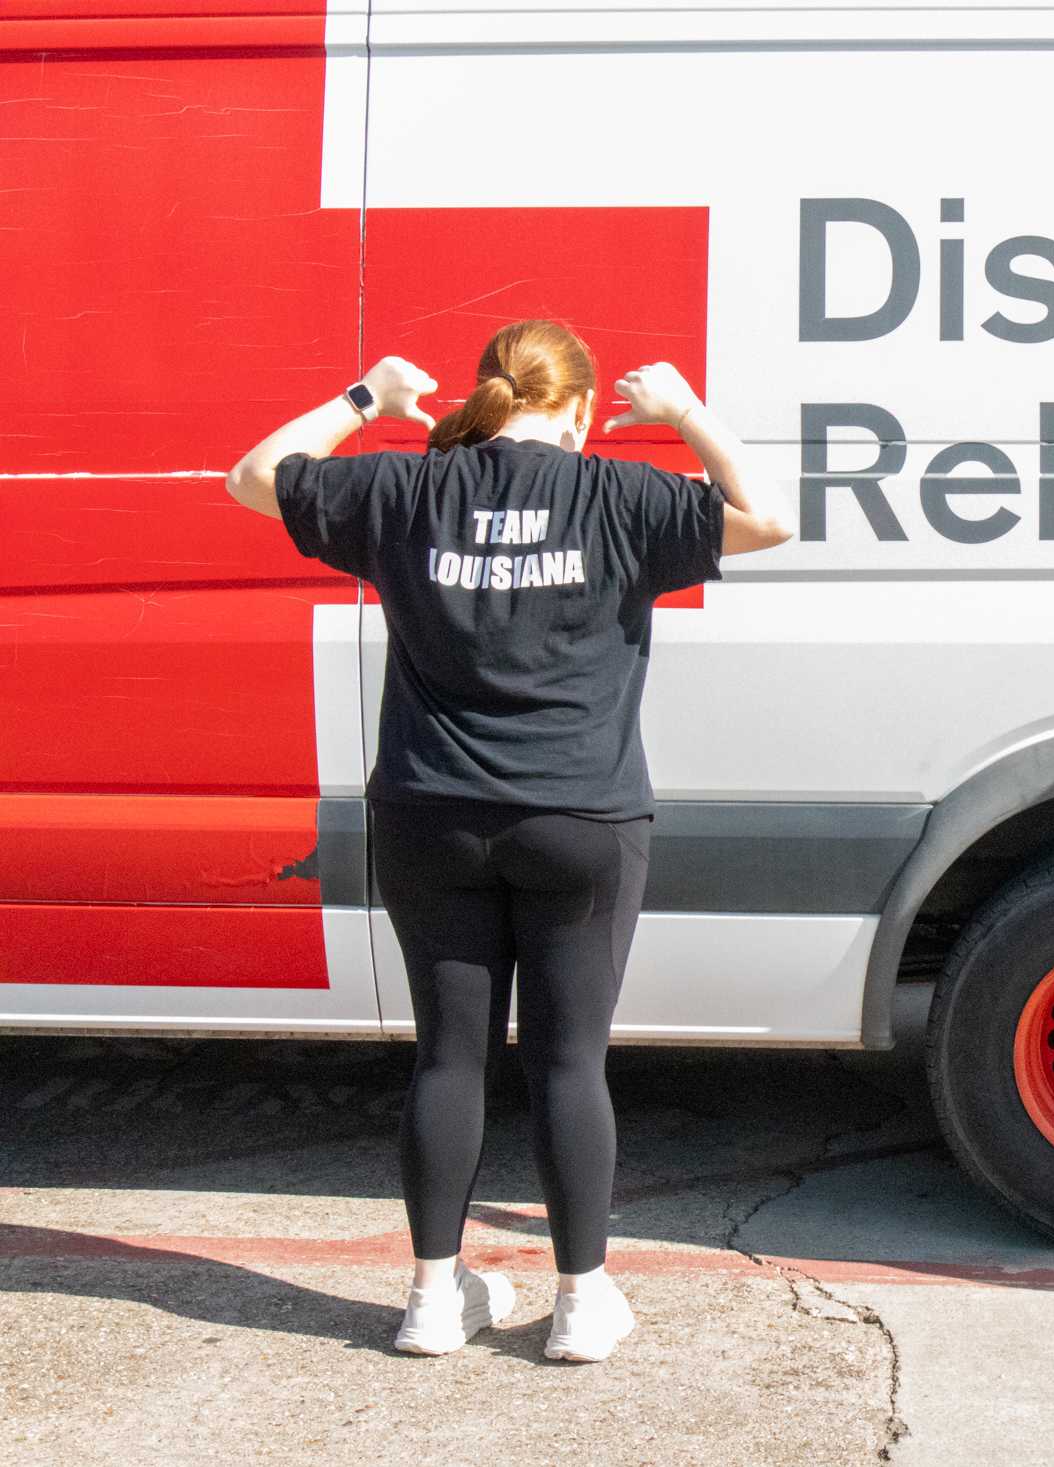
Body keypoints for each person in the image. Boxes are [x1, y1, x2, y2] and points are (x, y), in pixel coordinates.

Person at [226, 320, 791, 1360]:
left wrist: (369, 397)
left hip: (430, 816)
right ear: (579, 410)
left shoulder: (406, 490)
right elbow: (772, 519)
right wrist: (683, 415)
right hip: (580, 820)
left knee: (449, 1059)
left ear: (487, 397)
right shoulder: (623, 497)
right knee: (571, 1065)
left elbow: (255, 477)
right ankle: (581, 1304)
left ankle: (435, 1299)